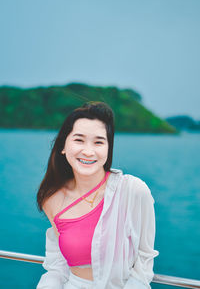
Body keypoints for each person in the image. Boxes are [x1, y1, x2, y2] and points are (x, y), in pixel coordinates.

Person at [36, 101, 159, 289]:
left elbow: (144, 260)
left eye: (99, 142)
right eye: (79, 140)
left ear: (108, 149)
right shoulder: (52, 199)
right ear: (63, 146)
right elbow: (58, 264)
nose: (88, 151)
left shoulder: (133, 190)